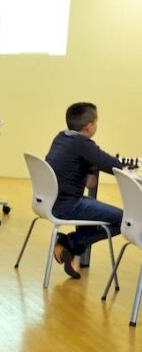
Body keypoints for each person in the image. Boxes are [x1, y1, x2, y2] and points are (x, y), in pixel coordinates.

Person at [46, 102, 123, 279]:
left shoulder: (61, 137)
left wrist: (90, 165)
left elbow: (90, 180)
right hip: (68, 206)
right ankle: (69, 243)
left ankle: (69, 247)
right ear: (89, 126)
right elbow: (114, 166)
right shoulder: (82, 143)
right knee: (124, 220)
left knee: (93, 207)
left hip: (51, 201)